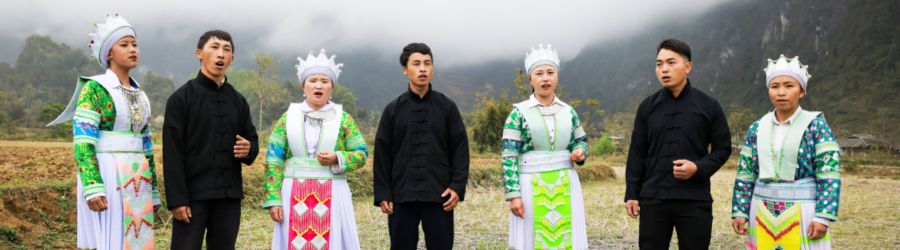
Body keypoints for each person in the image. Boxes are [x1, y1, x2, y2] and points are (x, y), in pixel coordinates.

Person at [48, 14, 159, 249]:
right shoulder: (95, 88)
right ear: (109, 53)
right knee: (111, 238)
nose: (133, 50)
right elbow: (83, 141)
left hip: (138, 175)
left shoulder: (141, 93)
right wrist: (92, 186)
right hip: (108, 173)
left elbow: (147, 144)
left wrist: (154, 190)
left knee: (137, 239)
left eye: (135, 44)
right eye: (124, 44)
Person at [624, 38, 731, 249]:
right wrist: (632, 193)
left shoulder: (708, 106)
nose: (664, 69)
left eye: (671, 62)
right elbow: (637, 152)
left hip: (694, 199)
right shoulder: (647, 107)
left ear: (688, 67)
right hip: (653, 198)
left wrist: (698, 168)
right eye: (659, 64)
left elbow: (722, 148)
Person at [731, 55, 841, 249]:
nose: (781, 92)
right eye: (775, 86)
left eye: (789, 85)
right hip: (762, 209)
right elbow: (746, 173)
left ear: (801, 91)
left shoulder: (815, 125)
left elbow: (828, 173)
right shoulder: (757, 128)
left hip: (803, 210)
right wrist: (740, 211)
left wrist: (823, 216)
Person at [262, 49, 368, 250]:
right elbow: (274, 158)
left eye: (324, 81)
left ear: (332, 88)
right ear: (303, 86)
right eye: (312, 80)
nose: (318, 85)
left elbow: (361, 154)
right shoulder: (288, 117)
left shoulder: (343, 119)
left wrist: (338, 157)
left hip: (333, 191)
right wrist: (273, 198)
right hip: (293, 191)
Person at [163, 30, 259, 250]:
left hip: (229, 195)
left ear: (232, 59)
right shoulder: (181, 99)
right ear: (199, 53)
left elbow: (252, 141)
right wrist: (177, 200)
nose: (221, 54)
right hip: (192, 197)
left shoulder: (238, 100)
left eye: (227, 50)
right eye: (214, 47)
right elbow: (172, 153)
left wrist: (249, 149)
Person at [373, 42, 469, 250]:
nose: (423, 69)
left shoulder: (447, 107)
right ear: (405, 70)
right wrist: (384, 193)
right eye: (416, 64)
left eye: (428, 63)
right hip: (401, 196)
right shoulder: (393, 110)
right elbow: (382, 154)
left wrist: (457, 186)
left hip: (439, 195)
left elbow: (460, 149)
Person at [502, 44, 589, 249]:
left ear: (557, 76)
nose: (545, 78)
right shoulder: (518, 114)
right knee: (533, 239)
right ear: (530, 79)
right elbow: (508, 156)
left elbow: (581, 140)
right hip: (530, 184)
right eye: (539, 73)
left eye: (550, 72)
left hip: (565, 183)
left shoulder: (568, 112)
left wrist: (580, 152)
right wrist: (513, 195)